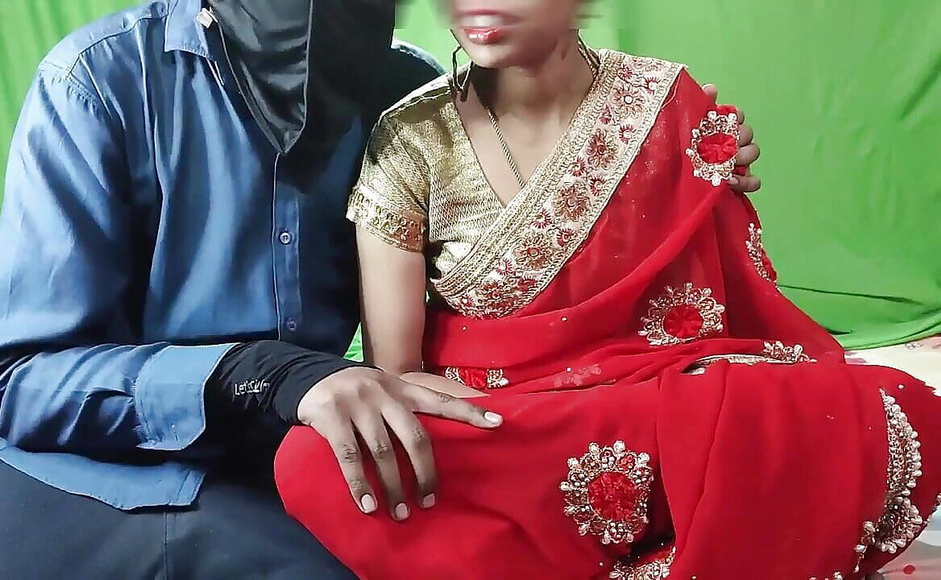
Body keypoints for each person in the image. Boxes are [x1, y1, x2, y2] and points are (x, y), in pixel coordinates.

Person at [0, 0, 763, 578]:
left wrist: (668, 173)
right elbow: (22, 376)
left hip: (290, 472)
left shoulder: (409, 102)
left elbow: (522, 266)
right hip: (76, 474)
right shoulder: (100, 81)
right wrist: (264, 374)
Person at [273, 1, 941, 579]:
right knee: (316, 461)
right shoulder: (410, 140)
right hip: (509, 426)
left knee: (882, 407)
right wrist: (540, 421)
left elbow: (731, 316)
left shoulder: (661, 102)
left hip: (658, 399)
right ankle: (690, 521)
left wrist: (704, 164)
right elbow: (397, 371)